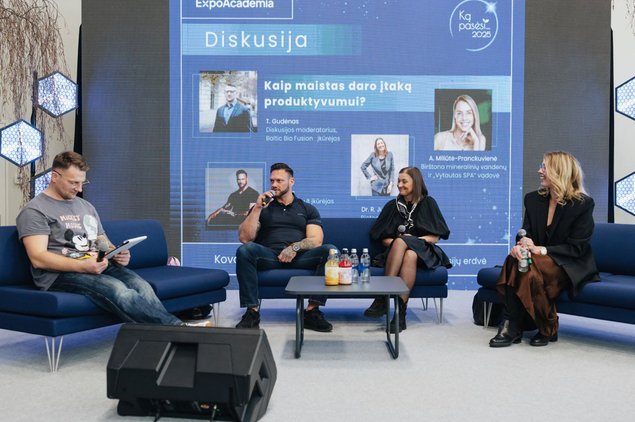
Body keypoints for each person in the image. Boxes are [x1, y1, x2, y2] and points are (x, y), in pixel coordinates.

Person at [16, 151, 210, 327]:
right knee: (118, 290)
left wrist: (115, 253)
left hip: (95, 264)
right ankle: (178, 329)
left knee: (142, 286)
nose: (79, 188)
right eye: (73, 183)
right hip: (59, 275)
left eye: (83, 183)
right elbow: (38, 257)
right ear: (54, 177)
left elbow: (101, 241)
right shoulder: (35, 210)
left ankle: (161, 337)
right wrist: (82, 266)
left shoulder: (85, 206)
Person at [489, 151, 599, 347]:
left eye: (544, 167)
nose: (539, 171)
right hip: (536, 262)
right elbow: (525, 232)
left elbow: (577, 247)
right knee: (519, 261)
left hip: (568, 263)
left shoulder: (582, 204)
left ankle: (513, 325)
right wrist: (522, 244)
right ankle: (543, 326)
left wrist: (542, 250)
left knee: (525, 265)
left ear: (559, 172)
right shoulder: (533, 199)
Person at [235, 163, 335, 331]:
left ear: (291, 181)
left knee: (330, 251)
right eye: (272, 180)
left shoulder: (307, 208)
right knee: (245, 251)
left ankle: (312, 311)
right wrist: (257, 208)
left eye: (279, 180)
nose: (274, 184)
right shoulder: (262, 208)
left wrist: (294, 248)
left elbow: (316, 240)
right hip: (269, 256)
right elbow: (245, 238)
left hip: (299, 257)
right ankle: (252, 312)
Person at [365, 166, 451, 332]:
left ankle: (382, 297)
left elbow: (435, 237)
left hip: (425, 251)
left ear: (415, 182)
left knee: (405, 243)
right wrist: (402, 244)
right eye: (398, 181)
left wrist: (411, 241)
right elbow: (382, 238)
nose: (399, 185)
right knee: (408, 253)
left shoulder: (428, 203)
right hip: (397, 254)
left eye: (404, 181)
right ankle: (400, 315)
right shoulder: (392, 206)